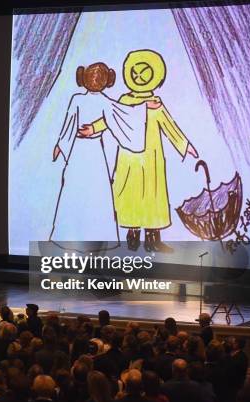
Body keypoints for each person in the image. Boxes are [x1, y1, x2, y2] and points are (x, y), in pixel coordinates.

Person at [80, 49, 199, 252]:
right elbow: (111, 117)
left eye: (144, 73)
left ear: (154, 75)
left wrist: (185, 145)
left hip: (151, 158)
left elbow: (169, 126)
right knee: (130, 194)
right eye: (136, 72)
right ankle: (132, 236)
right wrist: (93, 128)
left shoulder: (156, 104)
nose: (139, 77)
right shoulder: (125, 101)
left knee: (153, 194)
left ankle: (153, 239)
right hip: (129, 158)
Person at [51, 62, 160, 244]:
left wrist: (144, 105)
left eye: (98, 78)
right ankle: (67, 236)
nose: (95, 81)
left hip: (94, 151)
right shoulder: (77, 99)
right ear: (84, 79)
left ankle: (99, 238)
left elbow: (125, 114)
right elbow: (69, 123)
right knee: (74, 187)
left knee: (97, 190)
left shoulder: (105, 102)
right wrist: (60, 144)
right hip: (80, 150)